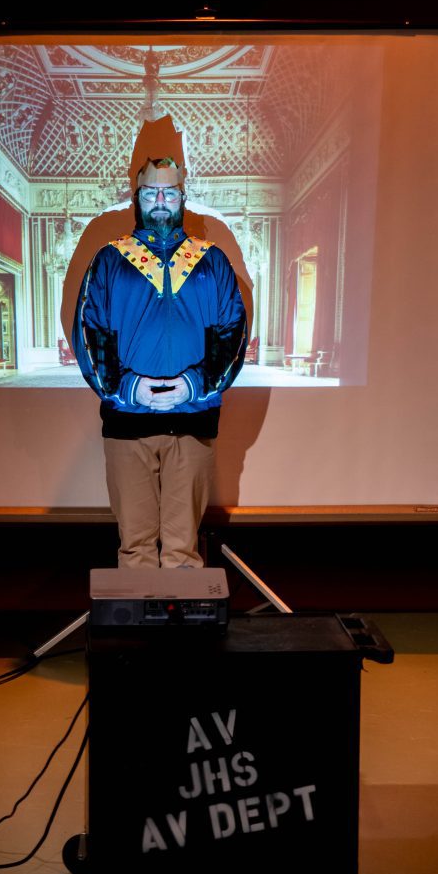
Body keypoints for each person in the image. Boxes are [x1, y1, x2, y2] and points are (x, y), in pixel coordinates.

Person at [74, 157, 247, 567]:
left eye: (169, 193)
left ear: (183, 198)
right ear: (137, 198)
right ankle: (139, 632)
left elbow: (233, 333)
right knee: (135, 549)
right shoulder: (110, 259)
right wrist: (131, 388)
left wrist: (193, 384)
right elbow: (90, 332)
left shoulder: (212, 261)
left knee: (183, 551)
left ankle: (180, 632)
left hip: (193, 420)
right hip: (126, 422)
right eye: (151, 193)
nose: (161, 202)